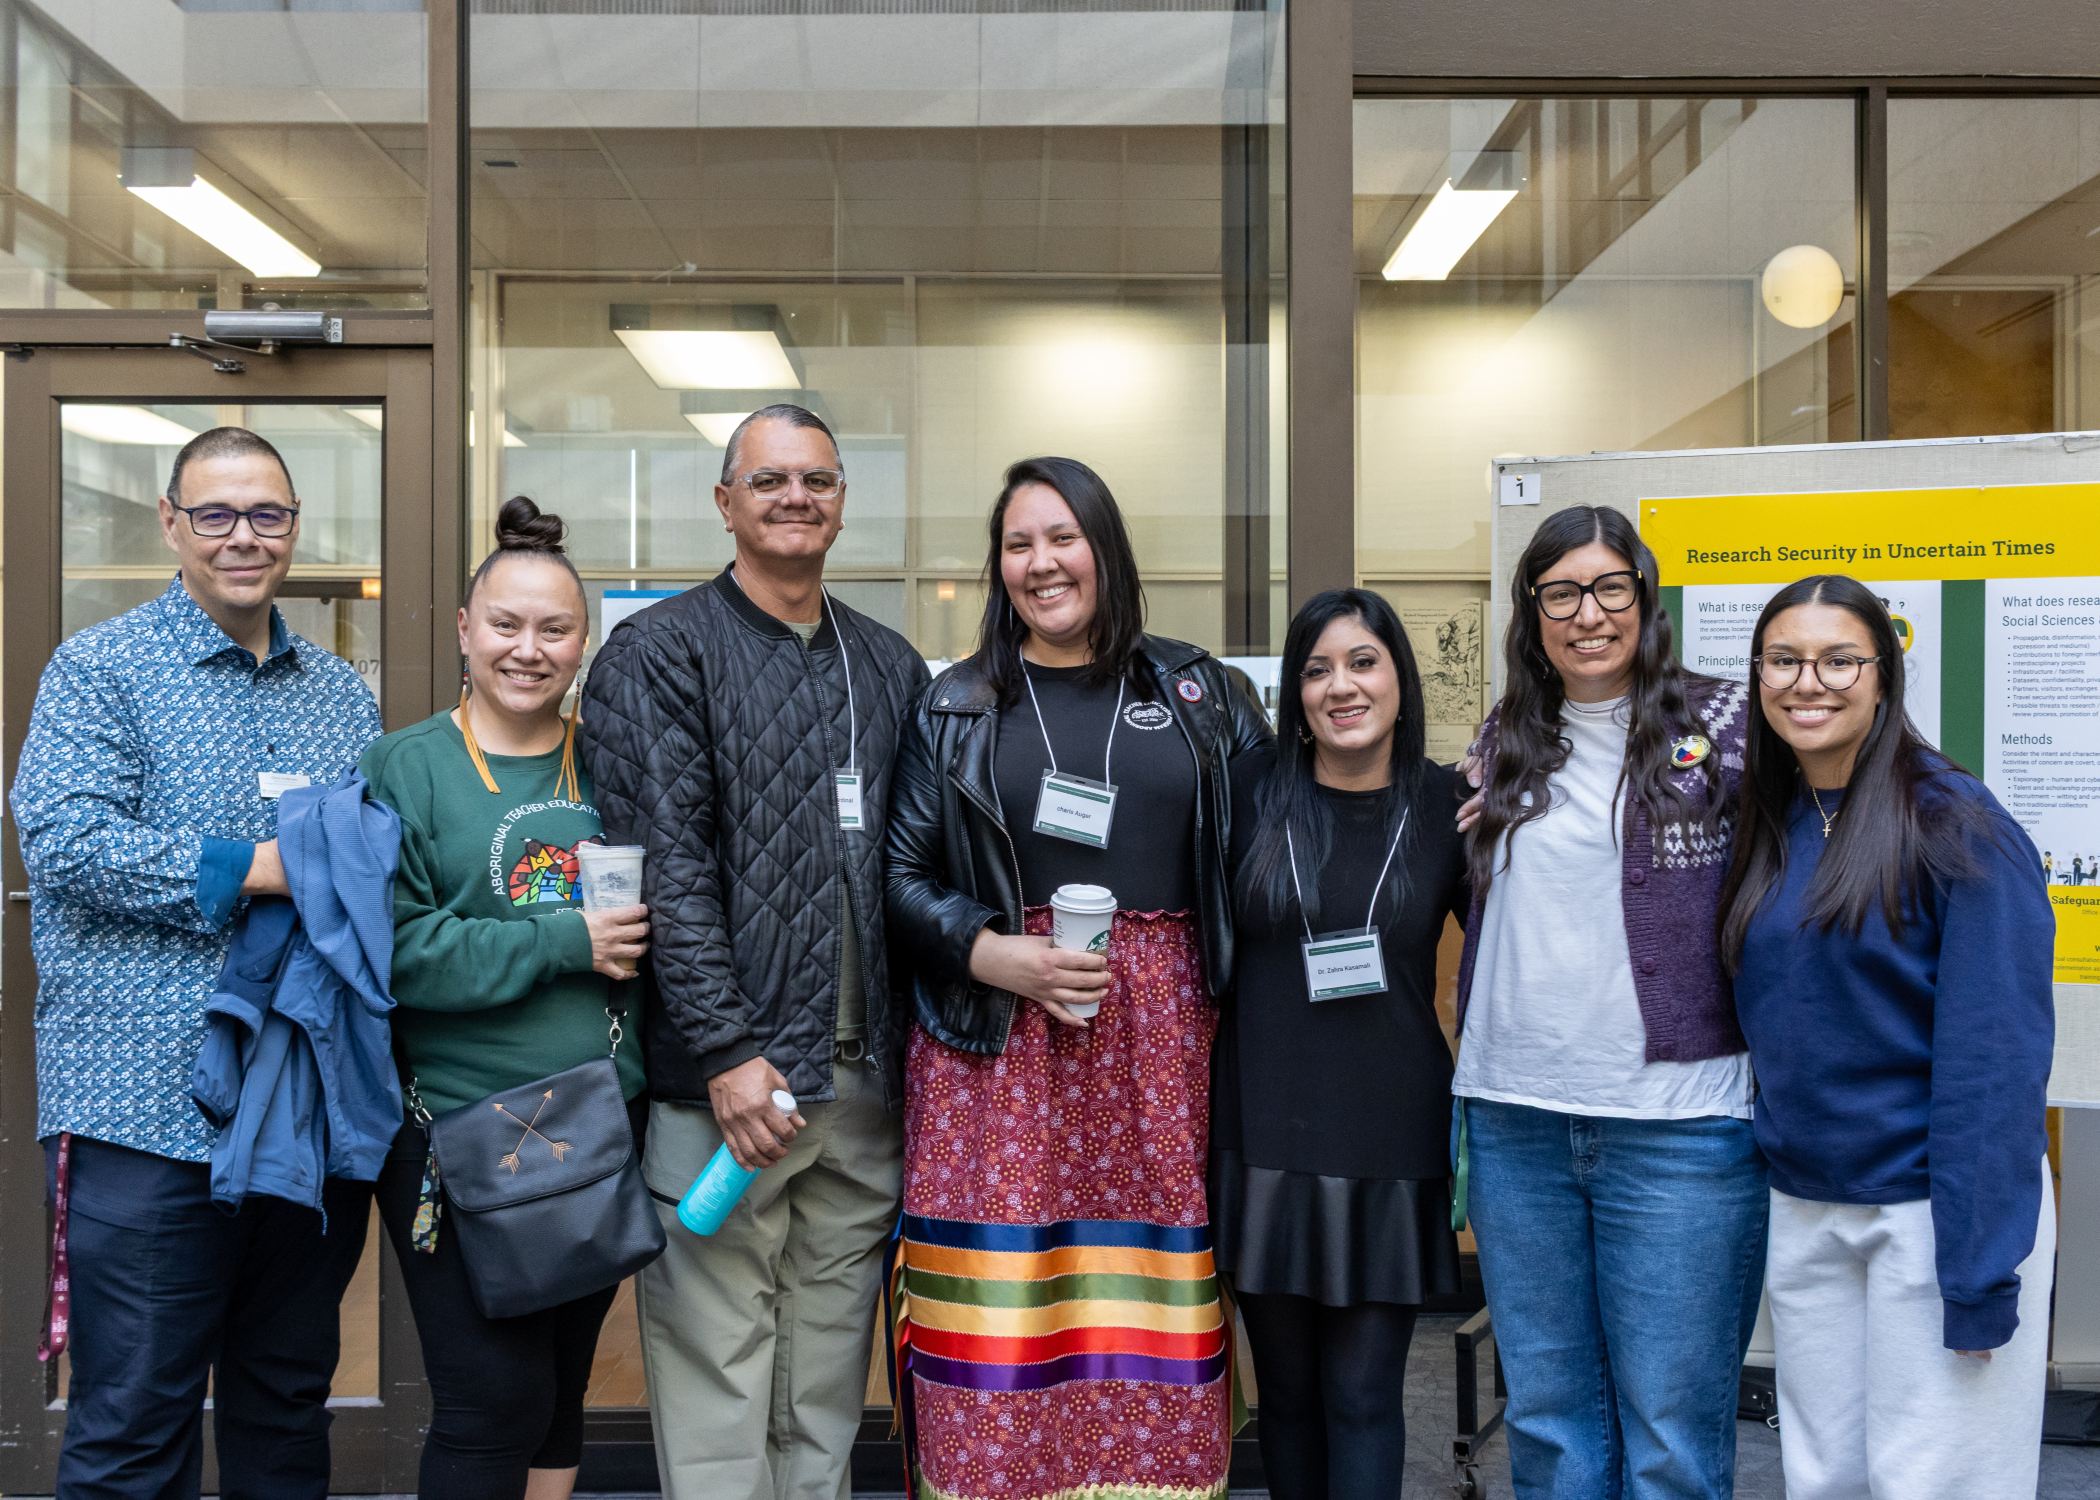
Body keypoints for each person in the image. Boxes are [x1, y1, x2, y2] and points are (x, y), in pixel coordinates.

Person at [885, 456, 1270, 1500]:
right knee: (1002, 1306)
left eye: (1063, 537)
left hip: (1162, 1054)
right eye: (1019, 544)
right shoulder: (954, 705)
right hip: (994, 1051)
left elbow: (1283, 838)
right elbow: (900, 878)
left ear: (1106, 548)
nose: (1042, 562)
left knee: (1150, 1298)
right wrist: (990, 951)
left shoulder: (1201, 693)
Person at [11, 426, 382, 1498]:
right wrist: (259, 867)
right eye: (215, 514)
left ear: (295, 526)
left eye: (267, 514)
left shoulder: (340, 696)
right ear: (171, 524)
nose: (242, 537)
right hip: (146, 1116)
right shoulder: (101, 670)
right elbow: (64, 844)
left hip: (300, 1117)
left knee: (285, 1408)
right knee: (133, 1424)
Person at [580, 404, 928, 1500]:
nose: (795, 498)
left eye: (817, 480)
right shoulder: (660, 652)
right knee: (718, 1371)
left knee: (825, 1383)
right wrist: (727, 1050)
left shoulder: (889, 665)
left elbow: (917, 864)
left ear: (842, 505)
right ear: (725, 502)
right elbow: (666, 868)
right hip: (730, 1091)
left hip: (862, 1089)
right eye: (769, 480)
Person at [1452, 504, 1765, 1500]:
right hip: (1516, 1119)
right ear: (1532, 612)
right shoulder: (1507, 735)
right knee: (1549, 1420)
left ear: (1645, 596)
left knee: (1671, 1431)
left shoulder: (1729, 722)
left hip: (1680, 1125)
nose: (1586, 614)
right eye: (1560, 594)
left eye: (1608, 588)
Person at [1719, 575, 2055, 1500]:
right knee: (1824, 1477)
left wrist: (1979, 1272)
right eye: (1784, 660)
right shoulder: (1772, 820)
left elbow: (1997, 1062)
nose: (1808, 682)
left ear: (1883, 675)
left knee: (1937, 1481)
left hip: (1935, 1211)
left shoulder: (1959, 824)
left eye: (1839, 660)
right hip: (1809, 1201)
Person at [359, 497, 651, 1499]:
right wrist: (568, 940)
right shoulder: (405, 766)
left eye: (554, 629)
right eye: (506, 624)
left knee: (561, 1390)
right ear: (464, 629)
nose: (529, 650)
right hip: (459, 1133)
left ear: (584, 642)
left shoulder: (613, 761)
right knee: (490, 1403)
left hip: (602, 1123)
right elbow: (398, 951)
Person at [1211, 589, 1469, 1498]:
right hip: (1262, 1130)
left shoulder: (1452, 804)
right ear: (1294, 692)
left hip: (1389, 1137)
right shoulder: (1245, 793)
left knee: (1362, 1396)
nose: (1341, 686)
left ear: (1400, 677)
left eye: (1363, 662)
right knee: (1285, 1398)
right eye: (1316, 670)